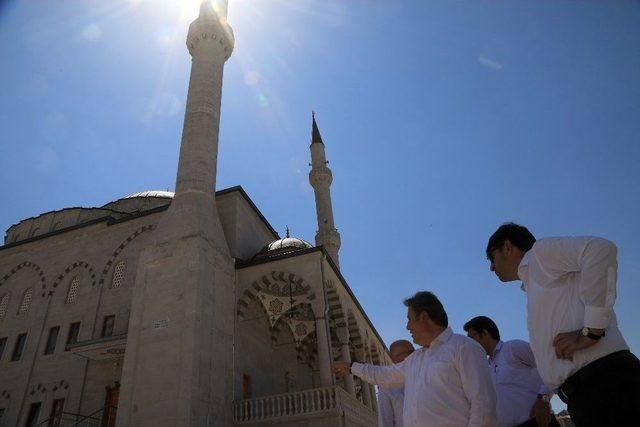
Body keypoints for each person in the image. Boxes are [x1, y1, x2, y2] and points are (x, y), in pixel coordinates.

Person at [486, 223, 640, 427]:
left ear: (507, 247)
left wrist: (592, 330)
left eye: (492, 257)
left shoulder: (539, 255)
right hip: (588, 395)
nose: (491, 267)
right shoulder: (535, 280)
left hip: (607, 385)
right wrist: (545, 397)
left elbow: (600, 249)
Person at [332, 291, 497, 427]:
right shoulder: (416, 359)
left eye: (409, 319)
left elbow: (483, 405)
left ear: (423, 317)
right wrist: (352, 367)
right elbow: (385, 375)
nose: (407, 327)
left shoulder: (464, 347)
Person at [464, 316, 559, 427]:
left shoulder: (512, 348)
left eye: (472, 337)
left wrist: (544, 399)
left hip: (538, 422)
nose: (470, 343)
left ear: (485, 333)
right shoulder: (485, 368)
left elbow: (548, 366)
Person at [377, 340, 415, 427]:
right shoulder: (387, 388)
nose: (414, 354)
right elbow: (385, 422)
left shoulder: (423, 375)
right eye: (410, 352)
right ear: (395, 358)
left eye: (413, 351)